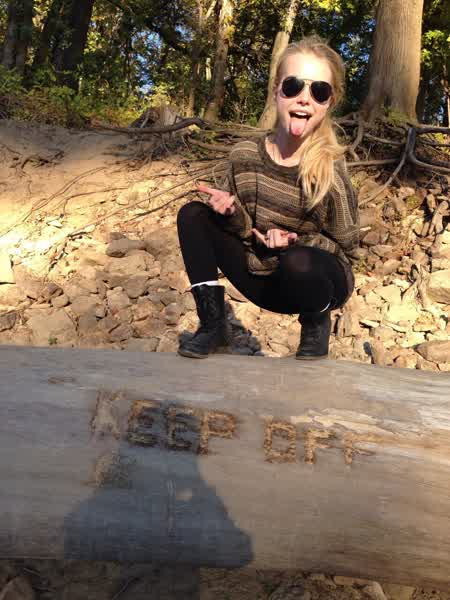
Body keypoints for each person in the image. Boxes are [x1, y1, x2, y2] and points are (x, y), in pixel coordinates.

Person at [176, 35, 360, 360]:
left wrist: (296, 242)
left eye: (318, 91)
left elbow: (348, 248)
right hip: (260, 276)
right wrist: (230, 213)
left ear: (329, 103)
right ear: (276, 90)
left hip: (315, 284)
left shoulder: (331, 169)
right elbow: (243, 230)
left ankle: (315, 324)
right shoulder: (245, 155)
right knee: (192, 214)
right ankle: (213, 325)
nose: (304, 99)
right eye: (293, 86)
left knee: (298, 261)